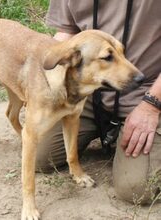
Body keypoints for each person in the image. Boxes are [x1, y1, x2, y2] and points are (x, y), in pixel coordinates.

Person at [35, 0, 161, 203]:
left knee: (136, 189)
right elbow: (65, 35)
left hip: (147, 93)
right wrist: (42, 83)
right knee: (39, 157)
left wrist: (151, 106)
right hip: (88, 91)